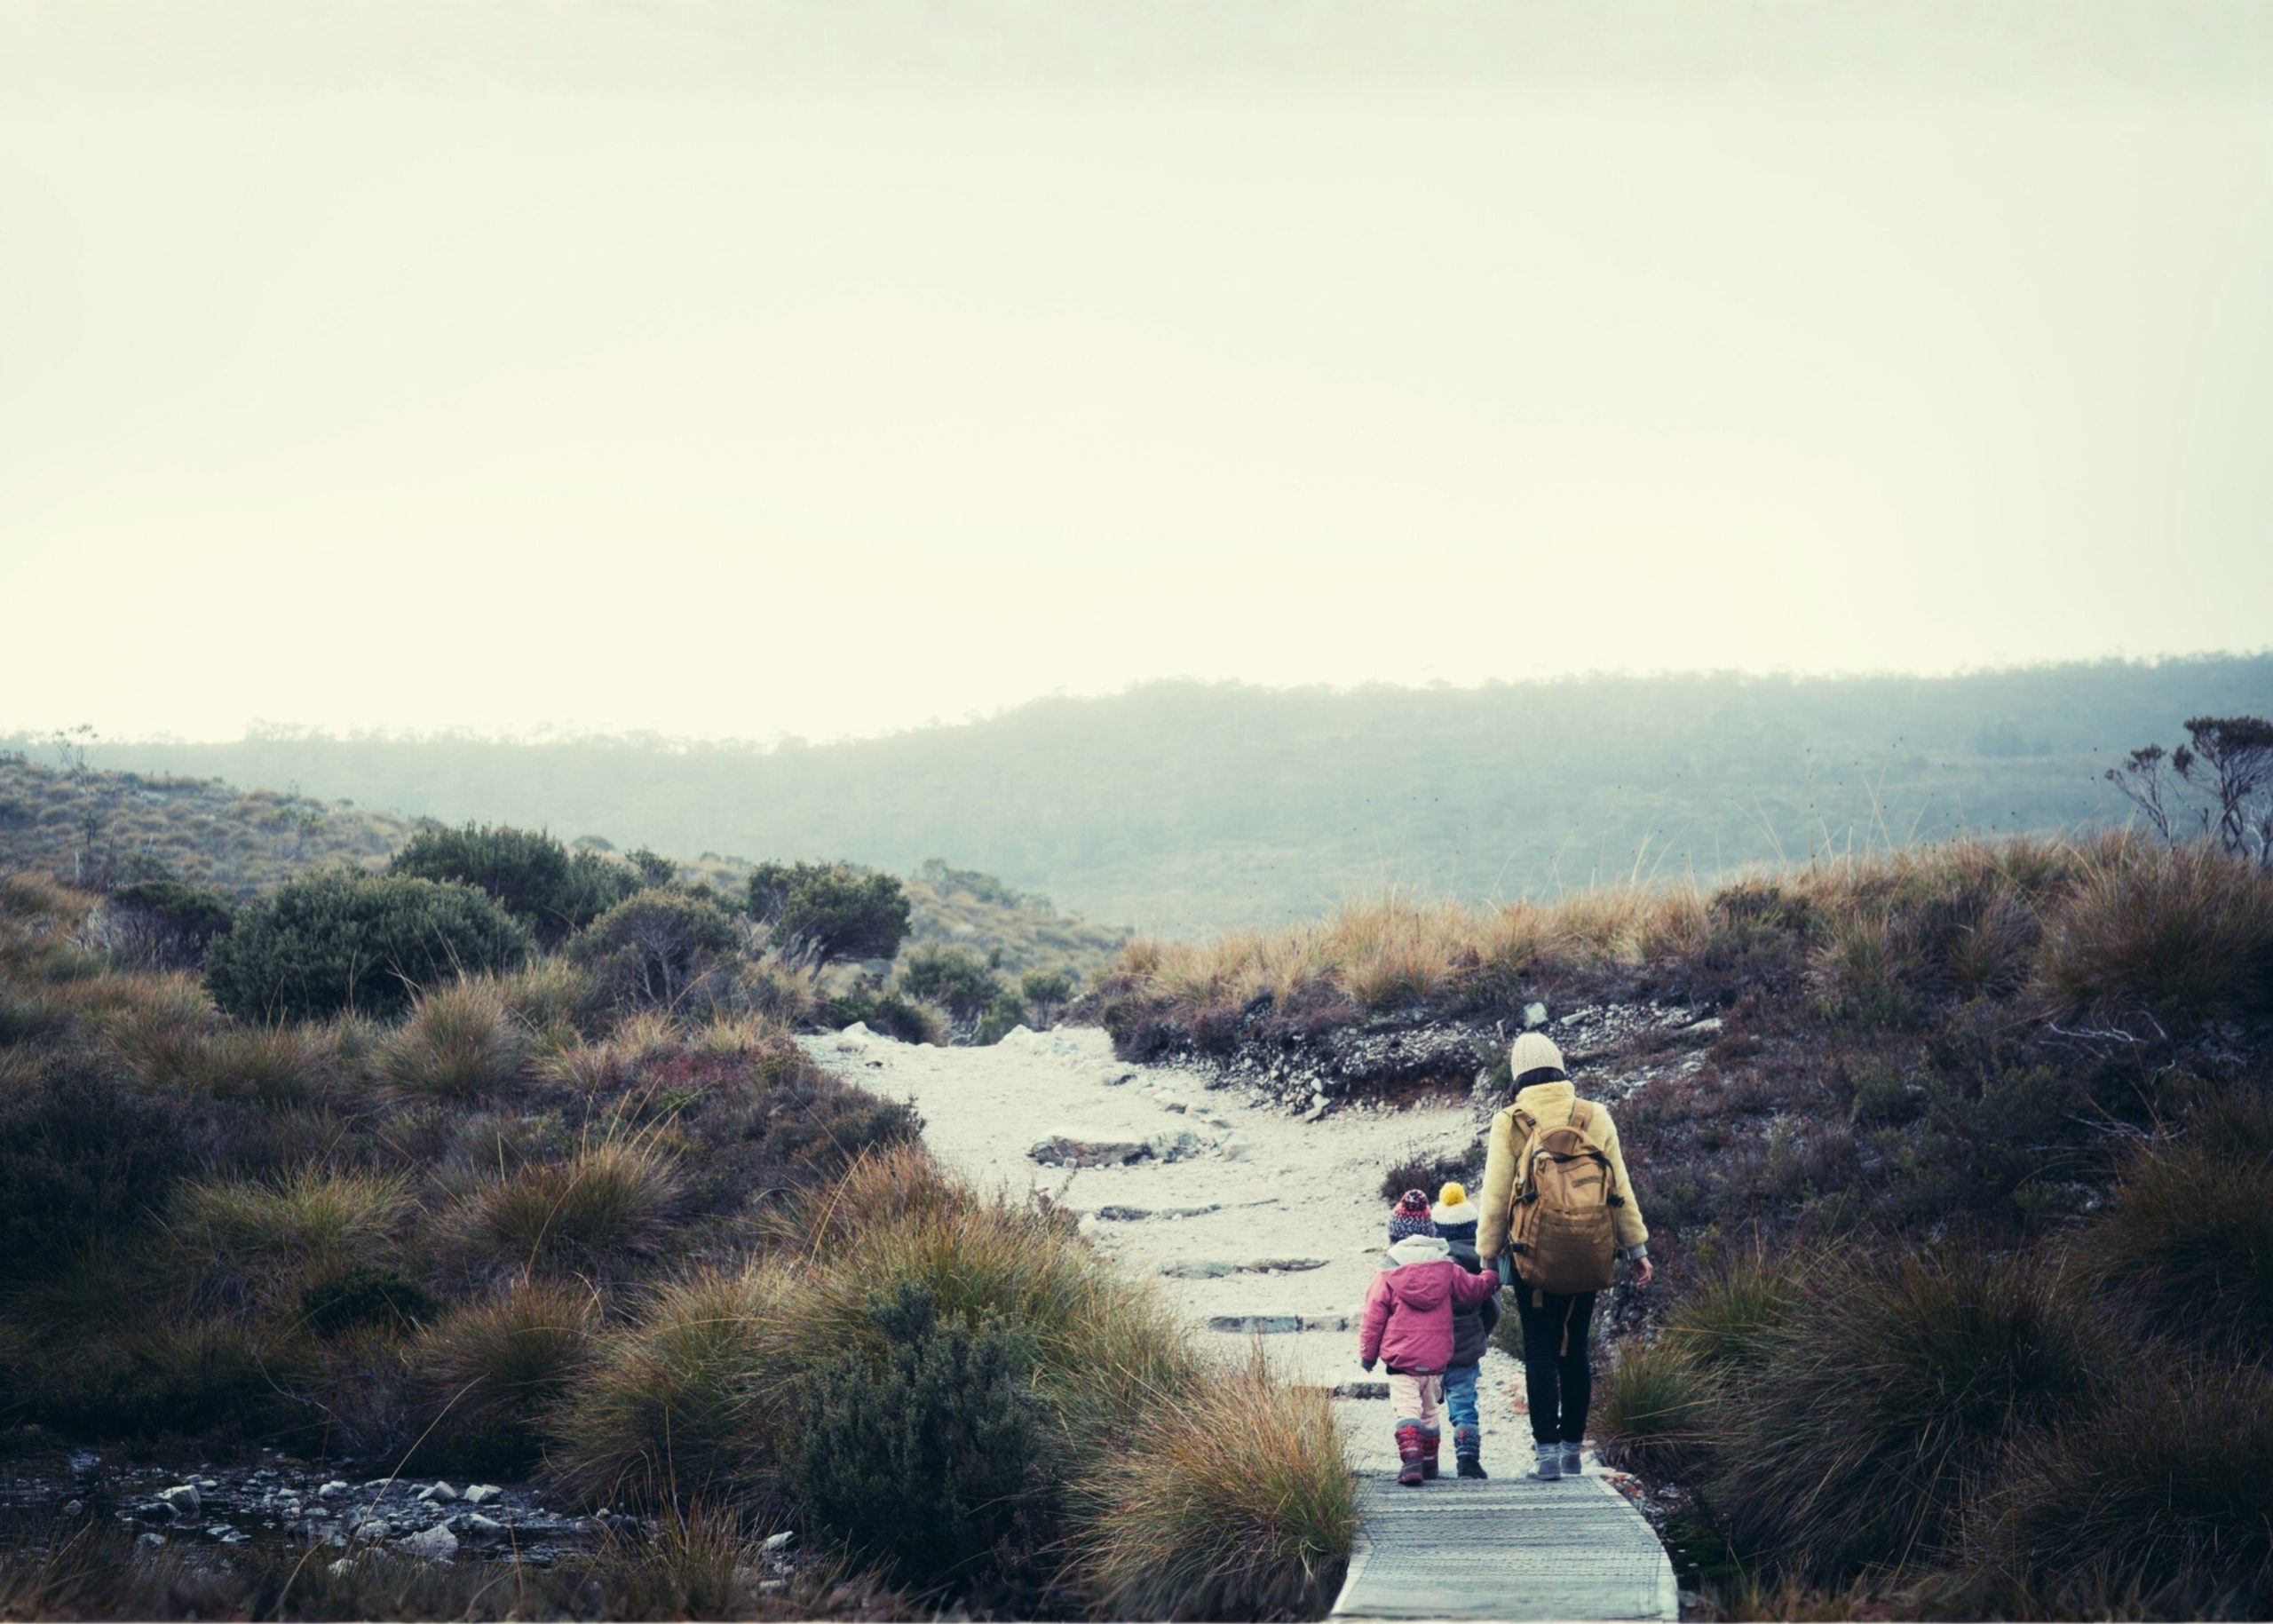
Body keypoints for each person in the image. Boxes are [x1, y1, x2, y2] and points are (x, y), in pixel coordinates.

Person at [1477, 1031, 1651, 1483]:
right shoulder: (1595, 1115)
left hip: (1531, 1255)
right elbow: (1620, 1190)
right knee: (1574, 1349)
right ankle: (1574, 1452)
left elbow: (1495, 1198)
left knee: (1539, 1350)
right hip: (1592, 1254)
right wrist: (1636, 1249)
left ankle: (1547, 1458)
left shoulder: (1511, 1121)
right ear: (1559, 1068)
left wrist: (1486, 1258)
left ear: (1518, 1074)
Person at [1358, 1189, 1504, 1486]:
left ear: (1394, 1239)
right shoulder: (1448, 1269)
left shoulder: (1386, 1276)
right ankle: (1443, 1463)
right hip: (1437, 1359)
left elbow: (1373, 1319)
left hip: (1403, 1361)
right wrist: (1492, 1273)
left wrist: (1368, 1356)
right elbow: (1477, 1291)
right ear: (1430, 1232)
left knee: (1409, 1408)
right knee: (1434, 1410)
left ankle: (1413, 1460)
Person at [1430, 1181, 1501, 1478]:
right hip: (1465, 1350)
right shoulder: (1481, 1264)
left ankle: (1422, 1457)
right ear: (1474, 1228)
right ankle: (1467, 1457)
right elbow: (1493, 1309)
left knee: (1423, 1406)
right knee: (1463, 1401)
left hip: (1430, 1350)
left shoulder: (1431, 1265)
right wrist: (1480, 1334)